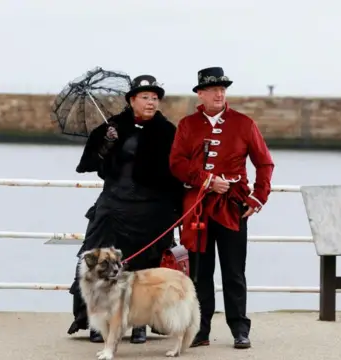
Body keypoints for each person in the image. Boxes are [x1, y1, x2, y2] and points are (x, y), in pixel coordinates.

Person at [67, 74, 184, 344]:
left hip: (151, 212)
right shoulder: (113, 127)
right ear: (132, 100)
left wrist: (175, 211)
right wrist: (107, 143)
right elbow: (93, 164)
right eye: (145, 97)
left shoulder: (167, 132)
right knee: (99, 264)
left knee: (144, 269)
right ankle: (97, 323)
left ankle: (140, 323)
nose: (151, 102)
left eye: (155, 98)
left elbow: (176, 172)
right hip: (113, 208)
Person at [169, 67, 275, 349]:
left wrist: (258, 198)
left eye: (223, 89)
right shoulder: (187, 125)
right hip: (197, 209)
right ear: (200, 94)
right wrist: (206, 181)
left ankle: (240, 328)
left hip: (233, 208)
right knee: (200, 272)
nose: (219, 93)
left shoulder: (243, 123)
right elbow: (176, 164)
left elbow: (264, 163)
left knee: (234, 271)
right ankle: (201, 330)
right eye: (213, 89)